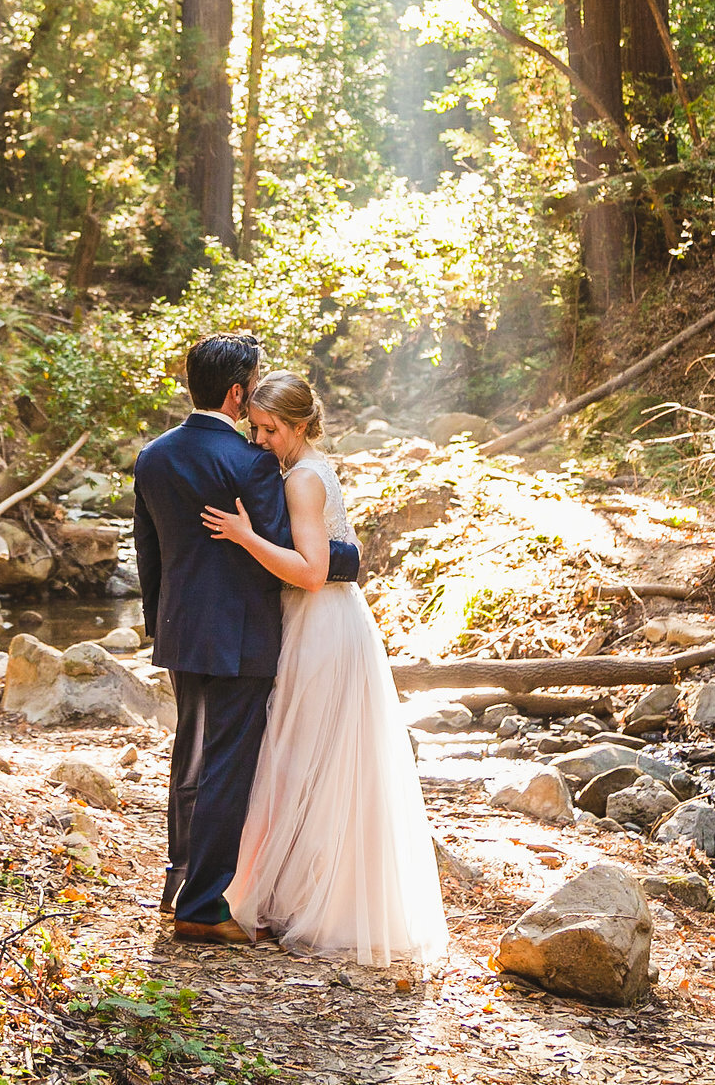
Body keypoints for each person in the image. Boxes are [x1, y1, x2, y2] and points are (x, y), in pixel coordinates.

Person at [203, 370, 448, 967]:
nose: (258, 440)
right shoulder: (306, 468)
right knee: (314, 758)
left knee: (303, 756)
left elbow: (313, 570)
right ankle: (302, 889)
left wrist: (242, 537)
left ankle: (308, 898)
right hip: (328, 621)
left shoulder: (303, 480)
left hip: (320, 624)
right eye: (254, 427)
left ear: (301, 425)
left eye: (269, 430)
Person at [133, 335, 362, 944]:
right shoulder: (251, 463)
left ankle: (177, 881)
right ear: (237, 392)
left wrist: (162, 622)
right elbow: (296, 553)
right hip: (242, 636)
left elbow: (147, 551)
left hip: (183, 631)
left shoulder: (153, 456)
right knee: (228, 767)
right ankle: (204, 904)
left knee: (190, 758)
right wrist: (351, 560)